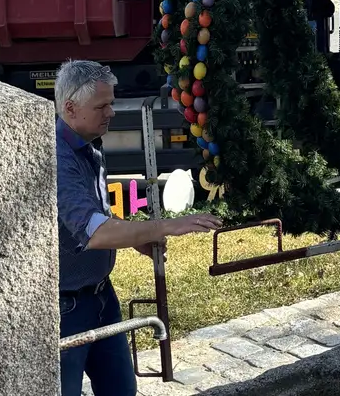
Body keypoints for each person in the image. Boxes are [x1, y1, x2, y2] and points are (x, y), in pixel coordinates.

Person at [54, 60, 220, 396]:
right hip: (64, 309)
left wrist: (133, 239)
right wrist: (163, 227)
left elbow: (100, 209)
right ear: (70, 108)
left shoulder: (89, 143)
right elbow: (96, 231)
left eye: (112, 103)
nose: (111, 112)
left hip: (102, 296)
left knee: (121, 391)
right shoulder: (57, 157)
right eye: (102, 105)